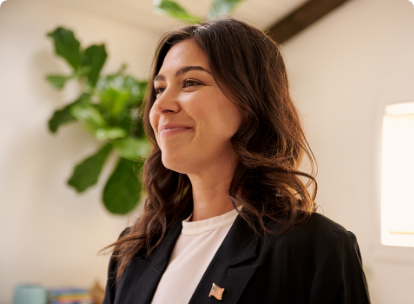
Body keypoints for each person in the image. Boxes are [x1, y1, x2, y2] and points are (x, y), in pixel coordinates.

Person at [102, 17, 371, 304]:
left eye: (190, 82)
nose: (161, 106)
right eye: (159, 88)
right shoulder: (134, 249)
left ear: (250, 100)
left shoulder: (316, 248)